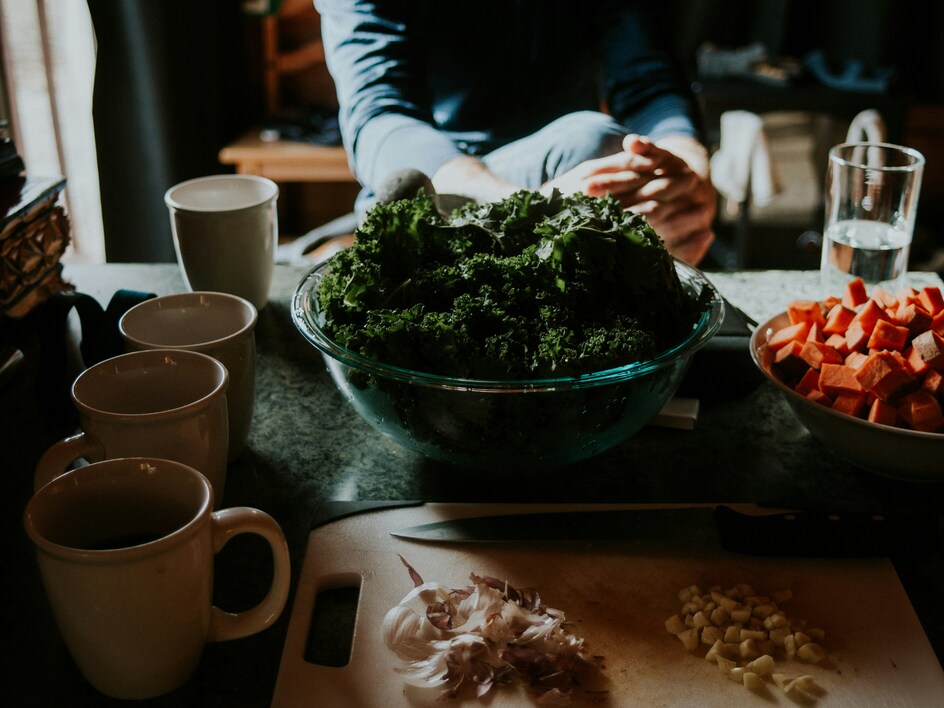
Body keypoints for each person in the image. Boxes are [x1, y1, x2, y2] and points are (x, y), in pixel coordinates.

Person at [313, 0, 717, 265]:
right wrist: (526, 212)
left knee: (616, 159)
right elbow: (380, 117)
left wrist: (687, 174)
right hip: (446, 187)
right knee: (594, 141)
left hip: (573, 177)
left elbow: (648, 77)